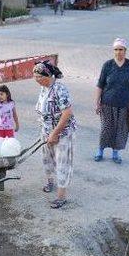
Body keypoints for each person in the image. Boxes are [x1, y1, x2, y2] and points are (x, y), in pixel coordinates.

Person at [33, 60, 77, 209]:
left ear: (47, 75)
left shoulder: (59, 89)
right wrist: (46, 132)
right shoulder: (44, 88)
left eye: (39, 76)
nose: (36, 79)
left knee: (62, 163)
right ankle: (50, 182)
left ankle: (61, 196)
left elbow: (67, 113)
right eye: (35, 76)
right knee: (48, 159)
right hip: (47, 132)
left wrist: (55, 133)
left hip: (62, 133)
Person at [94, 38, 129, 164]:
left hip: (124, 104)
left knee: (120, 129)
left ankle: (115, 152)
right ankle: (100, 150)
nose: (118, 52)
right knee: (106, 128)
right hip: (107, 102)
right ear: (113, 50)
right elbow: (100, 85)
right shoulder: (107, 65)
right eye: (116, 49)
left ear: (125, 51)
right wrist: (97, 102)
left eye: (121, 49)